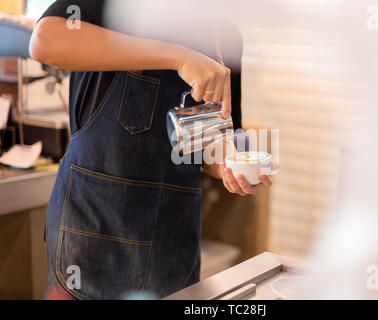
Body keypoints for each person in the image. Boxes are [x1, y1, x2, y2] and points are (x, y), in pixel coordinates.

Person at [30, 0, 273, 300]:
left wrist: (228, 166)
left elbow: (212, 140)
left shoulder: (224, 36)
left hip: (172, 244)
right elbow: (45, 39)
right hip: (94, 234)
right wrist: (179, 58)